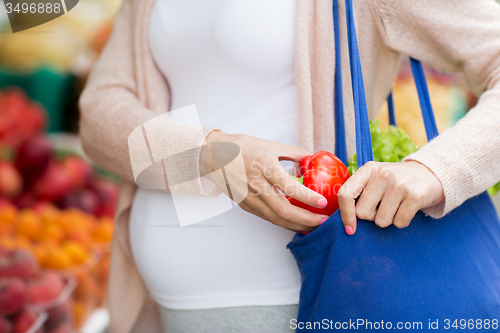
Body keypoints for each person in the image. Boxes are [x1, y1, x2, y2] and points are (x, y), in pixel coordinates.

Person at [79, 0, 500, 332]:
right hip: (165, 302)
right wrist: (209, 155)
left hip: (305, 297)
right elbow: (100, 114)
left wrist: (436, 169)